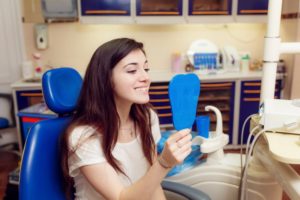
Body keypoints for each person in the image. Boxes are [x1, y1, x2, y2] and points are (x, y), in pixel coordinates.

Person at [61, 38, 192, 200]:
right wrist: (164, 163)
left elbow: (153, 182)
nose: (146, 77)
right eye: (132, 71)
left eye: (146, 68)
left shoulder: (147, 118)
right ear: (105, 79)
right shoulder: (83, 136)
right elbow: (121, 197)